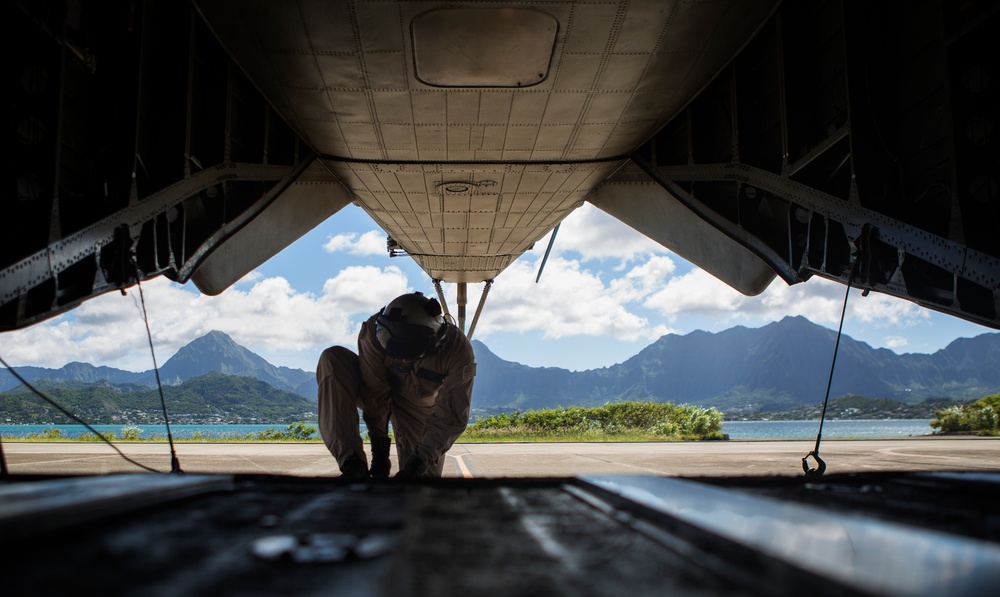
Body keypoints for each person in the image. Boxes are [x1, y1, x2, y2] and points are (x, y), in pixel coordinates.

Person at [316, 292, 476, 479]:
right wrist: (380, 454)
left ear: (434, 344)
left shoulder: (459, 353)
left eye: (408, 356)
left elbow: (451, 417)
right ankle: (352, 464)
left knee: (421, 488)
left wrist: (418, 462)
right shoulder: (373, 332)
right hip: (375, 390)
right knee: (333, 359)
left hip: (418, 409)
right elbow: (375, 395)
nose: (402, 362)